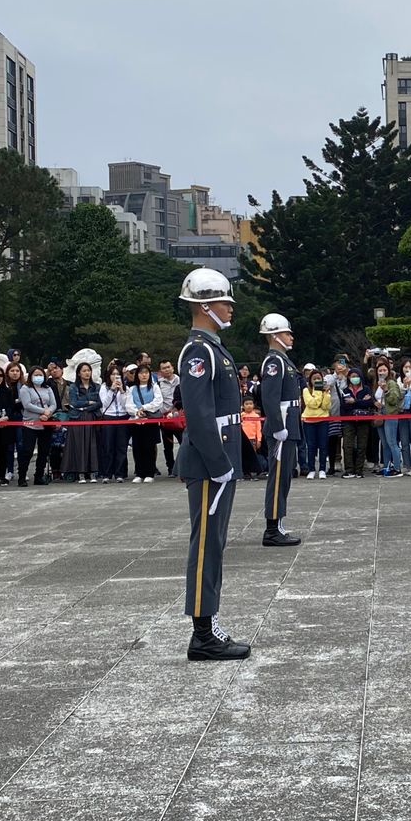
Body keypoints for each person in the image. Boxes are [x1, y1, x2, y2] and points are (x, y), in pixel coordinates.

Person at [176, 268, 250, 661]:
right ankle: (202, 635)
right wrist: (219, 462)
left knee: (215, 544)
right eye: (224, 301)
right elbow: (200, 415)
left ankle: (209, 624)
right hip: (209, 462)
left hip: (220, 459)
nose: (230, 308)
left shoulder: (213, 347)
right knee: (206, 545)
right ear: (205, 306)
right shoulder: (199, 351)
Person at [258, 313, 303, 547]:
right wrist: (277, 426)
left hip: (289, 423)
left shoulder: (283, 360)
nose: (291, 337)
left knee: (284, 477)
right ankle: (272, 530)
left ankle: (278, 524)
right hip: (282, 425)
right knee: (278, 479)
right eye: (286, 333)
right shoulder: (274, 362)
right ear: (275, 336)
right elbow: (269, 398)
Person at [18, 367, 56, 487]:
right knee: (27, 451)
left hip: (45, 424)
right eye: (36, 375)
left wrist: (48, 413)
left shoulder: (47, 388)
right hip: (30, 424)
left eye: (41, 375)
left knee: (44, 451)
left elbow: (53, 404)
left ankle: (39, 476)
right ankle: (22, 477)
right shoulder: (25, 388)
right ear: (31, 376)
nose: (38, 377)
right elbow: (27, 405)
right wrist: (43, 411)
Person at [125, 364, 163, 483]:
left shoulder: (154, 387)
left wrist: (145, 408)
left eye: (146, 373)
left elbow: (158, 401)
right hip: (136, 421)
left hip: (150, 420)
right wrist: (136, 411)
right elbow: (128, 404)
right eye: (141, 373)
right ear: (137, 375)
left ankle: (149, 472)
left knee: (149, 447)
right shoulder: (132, 389)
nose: (144, 375)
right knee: (137, 447)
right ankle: (139, 472)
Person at [339, 368, 374, 478]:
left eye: (357, 376)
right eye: (352, 376)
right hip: (348, 421)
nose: (355, 378)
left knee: (362, 445)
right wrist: (361, 401)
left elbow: (369, 403)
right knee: (347, 445)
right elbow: (344, 405)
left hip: (363, 421)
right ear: (349, 378)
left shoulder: (366, 389)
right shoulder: (345, 390)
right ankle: (349, 469)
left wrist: (354, 401)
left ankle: (359, 470)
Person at [92, 365, 124, 483]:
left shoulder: (125, 387)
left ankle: (120, 473)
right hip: (109, 417)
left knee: (121, 447)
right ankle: (107, 474)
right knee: (108, 447)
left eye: (118, 374)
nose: (115, 377)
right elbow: (104, 403)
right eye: (113, 374)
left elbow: (125, 404)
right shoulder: (104, 387)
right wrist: (111, 390)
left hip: (122, 417)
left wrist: (122, 391)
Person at [374, 360, 404, 477]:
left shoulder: (391, 383)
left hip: (390, 414)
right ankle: (386, 466)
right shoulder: (377, 383)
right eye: (380, 370)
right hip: (380, 414)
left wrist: (386, 390)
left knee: (392, 442)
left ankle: (397, 468)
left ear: (389, 371)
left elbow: (394, 400)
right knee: (385, 443)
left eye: (384, 370)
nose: (382, 372)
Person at [301, 369, 331, 479]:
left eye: (319, 379)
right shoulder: (306, 390)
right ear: (310, 380)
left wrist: (326, 394)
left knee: (323, 445)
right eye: (314, 379)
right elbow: (312, 404)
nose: (317, 381)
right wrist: (318, 391)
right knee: (311, 446)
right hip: (309, 421)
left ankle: (322, 469)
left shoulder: (326, 391)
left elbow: (325, 406)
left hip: (323, 420)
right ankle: (311, 469)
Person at [157, 359, 182, 477]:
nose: (167, 370)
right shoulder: (158, 384)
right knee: (167, 446)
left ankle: (182, 466)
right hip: (165, 418)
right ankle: (171, 468)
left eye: (168, 367)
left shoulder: (181, 380)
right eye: (164, 368)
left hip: (179, 417)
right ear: (160, 371)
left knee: (183, 443)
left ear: (173, 367)